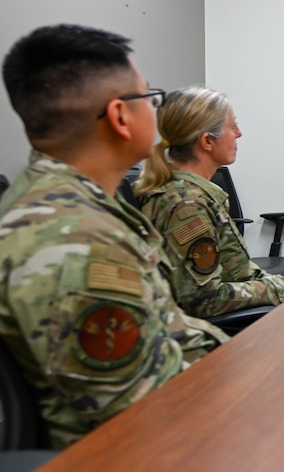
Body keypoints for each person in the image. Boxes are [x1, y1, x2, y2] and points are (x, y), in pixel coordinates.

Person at [0, 24, 228, 448]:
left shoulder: (76, 206)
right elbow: (139, 417)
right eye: (150, 98)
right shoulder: (77, 243)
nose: (156, 113)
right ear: (122, 116)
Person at [134, 87, 284, 319]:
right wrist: (277, 288)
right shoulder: (186, 204)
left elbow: (235, 272)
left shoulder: (195, 193)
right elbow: (204, 300)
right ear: (207, 141)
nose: (239, 133)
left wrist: (275, 284)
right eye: (233, 126)